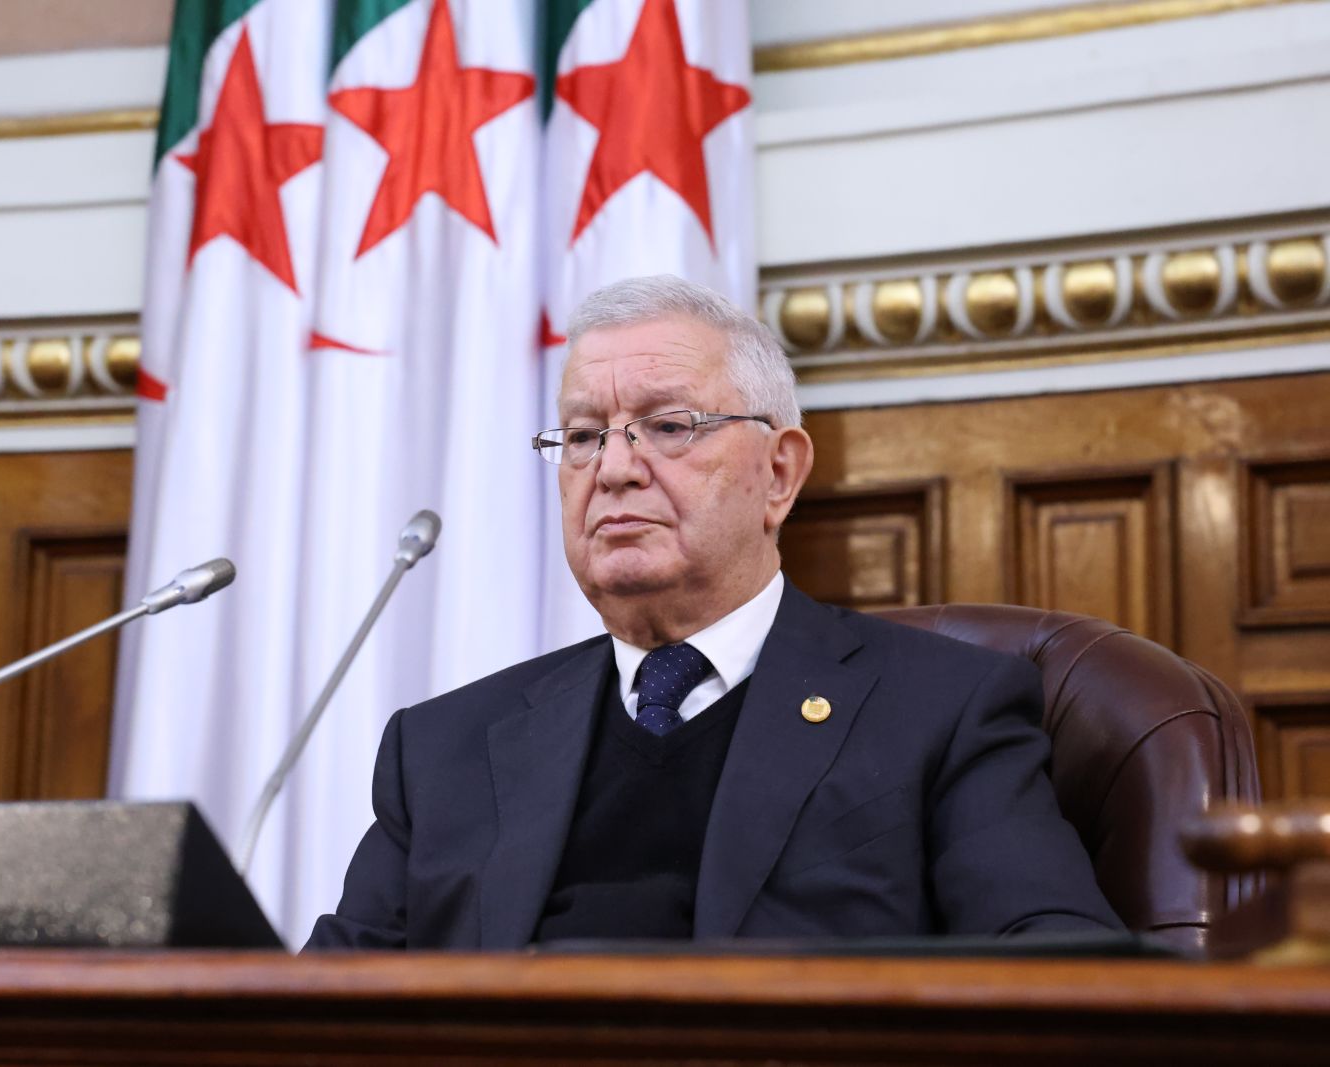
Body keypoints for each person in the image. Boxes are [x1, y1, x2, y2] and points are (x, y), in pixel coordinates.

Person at [306, 274, 1123, 949]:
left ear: (780, 474)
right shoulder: (443, 750)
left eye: (668, 426)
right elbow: (318, 1015)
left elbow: (1059, 969)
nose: (613, 468)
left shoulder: (941, 708)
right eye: (583, 436)